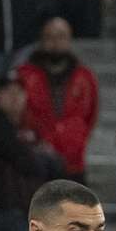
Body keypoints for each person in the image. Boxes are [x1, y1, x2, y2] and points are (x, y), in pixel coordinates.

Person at [0, 71, 64, 231]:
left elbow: (57, 166)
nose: (14, 97)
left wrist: (41, 157)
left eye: (19, 92)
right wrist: (39, 155)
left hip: (26, 215)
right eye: (8, 92)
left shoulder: (30, 128)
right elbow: (30, 163)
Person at [15, 17, 98, 180]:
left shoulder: (85, 77)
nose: (55, 42)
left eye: (61, 36)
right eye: (49, 36)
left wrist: (76, 138)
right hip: (37, 161)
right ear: (42, 40)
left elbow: (91, 115)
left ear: (69, 40)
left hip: (73, 161)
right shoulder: (24, 75)